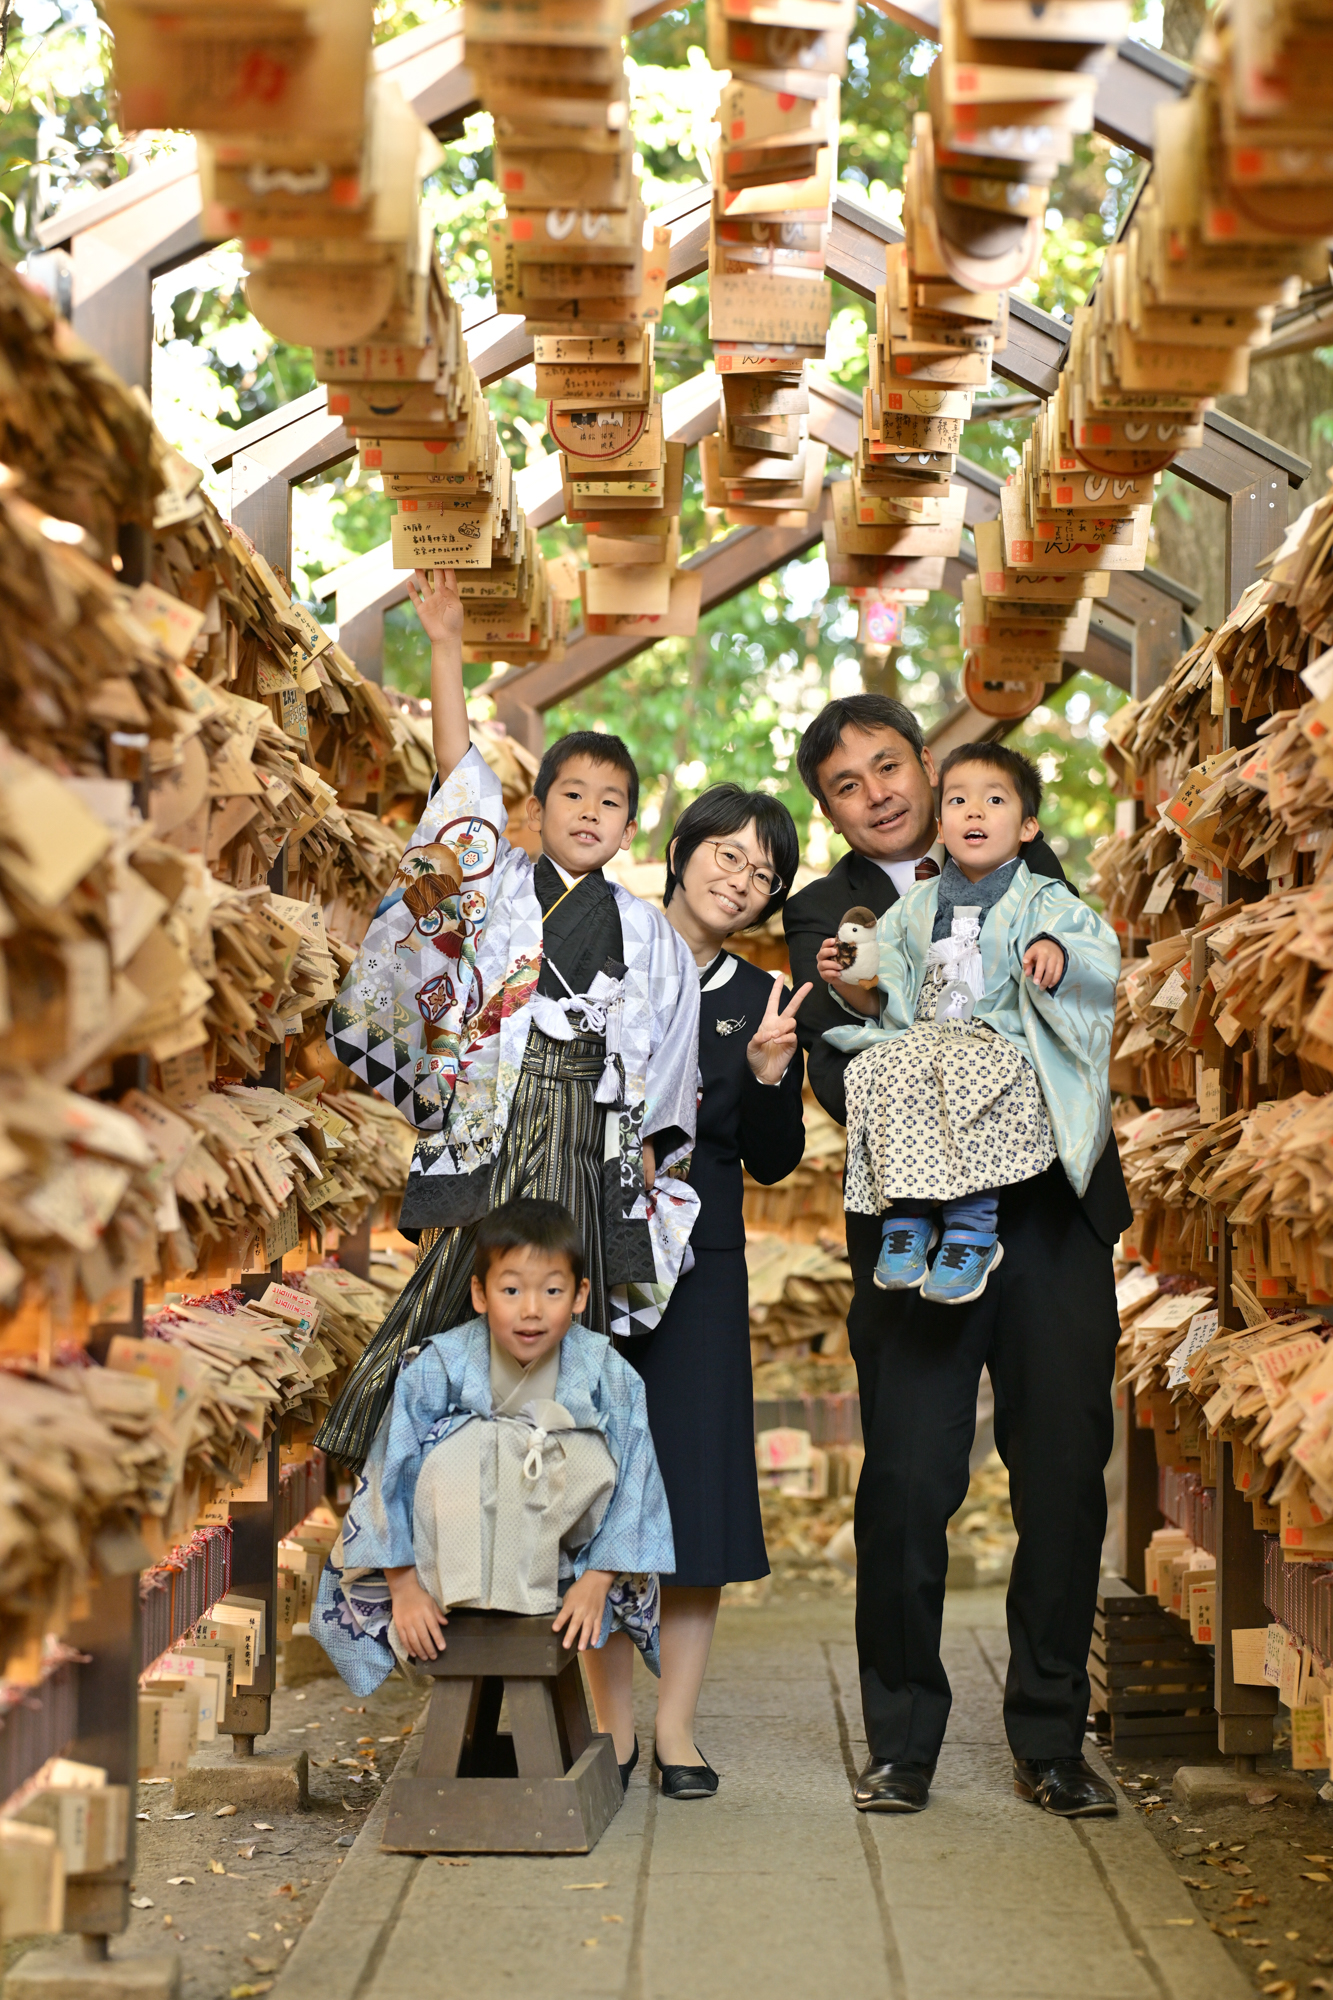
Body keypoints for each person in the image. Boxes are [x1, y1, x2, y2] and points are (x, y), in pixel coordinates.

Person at [783, 693, 1130, 1821]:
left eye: (892, 764)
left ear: (930, 766)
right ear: (828, 806)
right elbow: (842, 1075)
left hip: (1049, 1219)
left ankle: (1050, 1733)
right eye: (848, 781)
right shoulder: (826, 916)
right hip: (914, 1230)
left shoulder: (1021, 857)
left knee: (1062, 1476)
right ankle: (900, 1741)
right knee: (905, 1485)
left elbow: (1083, 994)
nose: (879, 790)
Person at [316, 568, 701, 1466]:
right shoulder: (498, 886)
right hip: (498, 1113)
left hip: (591, 1133)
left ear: (628, 828)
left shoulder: (649, 935)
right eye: (572, 795)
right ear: (537, 808)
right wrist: (446, 644)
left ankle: (550, 1497)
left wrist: (647, 1154)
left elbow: (672, 1058)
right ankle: (401, 1462)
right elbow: (461, 785)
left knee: (564, 1307)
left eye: (611, 803)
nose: (590, 813)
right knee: (463, 1286)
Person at [582, 787, 810, 1798]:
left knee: (696, 1494)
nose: (740, 878)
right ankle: (609, 1726)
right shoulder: (604, 951)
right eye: (727, 853)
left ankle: (675, 1729)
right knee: (595, 1483)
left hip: (701, 1265)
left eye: (763, 873)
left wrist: (765, 1077)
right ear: (679, 852)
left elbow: (772, 1160)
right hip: (589, 1256)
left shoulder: (756, 993)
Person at [312, 1198, 674, 1741]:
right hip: (448, 1573)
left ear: (579, 1297)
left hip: (564, 1572)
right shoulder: (435, 1363)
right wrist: (404, 1585)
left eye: (552, 1291)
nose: (531, 1310)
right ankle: (455, 1590)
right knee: (464, 1448)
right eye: (511, 1290)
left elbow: (639, 1482)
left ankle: (556, 1584)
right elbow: (389, 1472)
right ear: (480, 1294)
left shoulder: (606, 1372)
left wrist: (599, 1580)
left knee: (593, 1457)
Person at [818, 743, 1118, 1307]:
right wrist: (846, 977)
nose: (973, 812)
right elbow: (885, 982)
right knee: (884, 1066)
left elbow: (1091, 943)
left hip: (1002, 1036)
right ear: (940, 820)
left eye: (994, 800)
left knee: (974, 1072)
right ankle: (905, 1218)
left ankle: (973, 1228)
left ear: (1028, 826)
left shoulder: (1045, 898)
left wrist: (1057, 950)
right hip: (927, 1033)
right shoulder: (915, 905)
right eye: (958, 800)